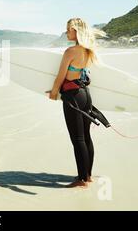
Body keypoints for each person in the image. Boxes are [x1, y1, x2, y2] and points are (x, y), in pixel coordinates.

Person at [47, 17, 107, 188]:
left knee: (78, 139)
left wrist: (53, 92)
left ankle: (82, 180)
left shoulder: (70, 51)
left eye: (68, 29)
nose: (66, 32)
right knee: (86, 137)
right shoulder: (88, 51)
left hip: (72, 96)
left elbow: (61, 75)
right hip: (85, 95)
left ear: (76, 31)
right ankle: (88, 176)